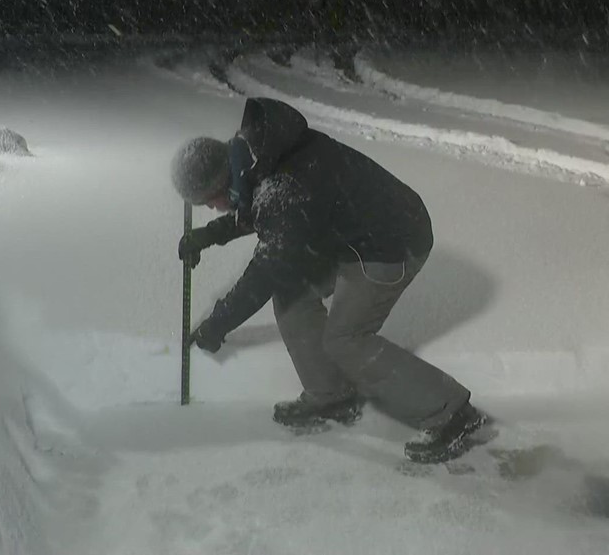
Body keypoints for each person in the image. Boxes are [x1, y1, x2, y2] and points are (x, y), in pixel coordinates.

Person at [170, 97, 486, 464]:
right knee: (292, 293)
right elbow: (262, 210)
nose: (212, 209)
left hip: (392, 242)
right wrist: (208, 235)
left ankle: (451, 413)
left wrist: (218, 323)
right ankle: (330, 395)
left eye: (210, 202)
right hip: (349, 233)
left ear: (222, 184)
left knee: (346, 339)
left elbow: (266, 265)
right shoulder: (256, 156)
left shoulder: (282, 183)